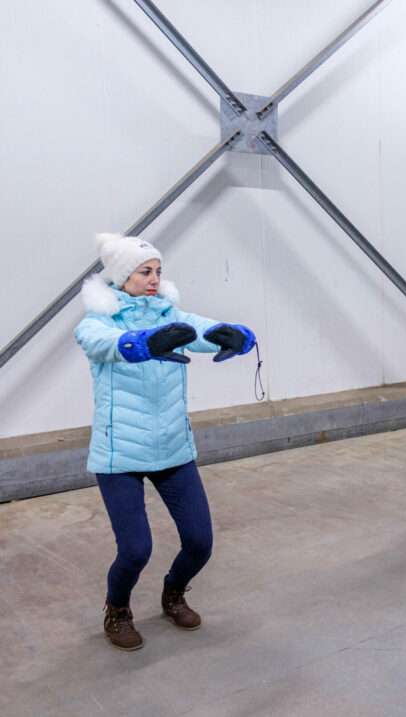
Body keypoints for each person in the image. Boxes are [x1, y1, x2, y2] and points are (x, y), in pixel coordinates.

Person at [75, 233, 256, 650]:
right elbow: (102, 345)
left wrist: (237, 334)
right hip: (119, 455)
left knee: (199, 542)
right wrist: (143, 343)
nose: (154, 279)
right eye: (145, 271)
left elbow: (203, 329)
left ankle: (173, 593)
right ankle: (117, 609)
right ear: (122, 276)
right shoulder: (96, 323)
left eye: (158, 271)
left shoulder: (169, 317)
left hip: (173, 448)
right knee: (136, 550)